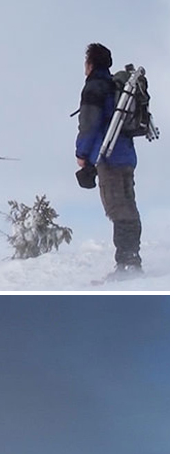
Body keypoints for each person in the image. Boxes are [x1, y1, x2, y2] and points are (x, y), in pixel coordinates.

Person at [76, 41, 142, 278]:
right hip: (126, 155)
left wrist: (81, 154)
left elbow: (89, 123)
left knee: (117, 208)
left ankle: (127, 264)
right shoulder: (117, 87)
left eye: (85, 61)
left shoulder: (95, 86)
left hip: (109, 157)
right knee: (128, 206)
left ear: (91, 63)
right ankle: (131, 259)